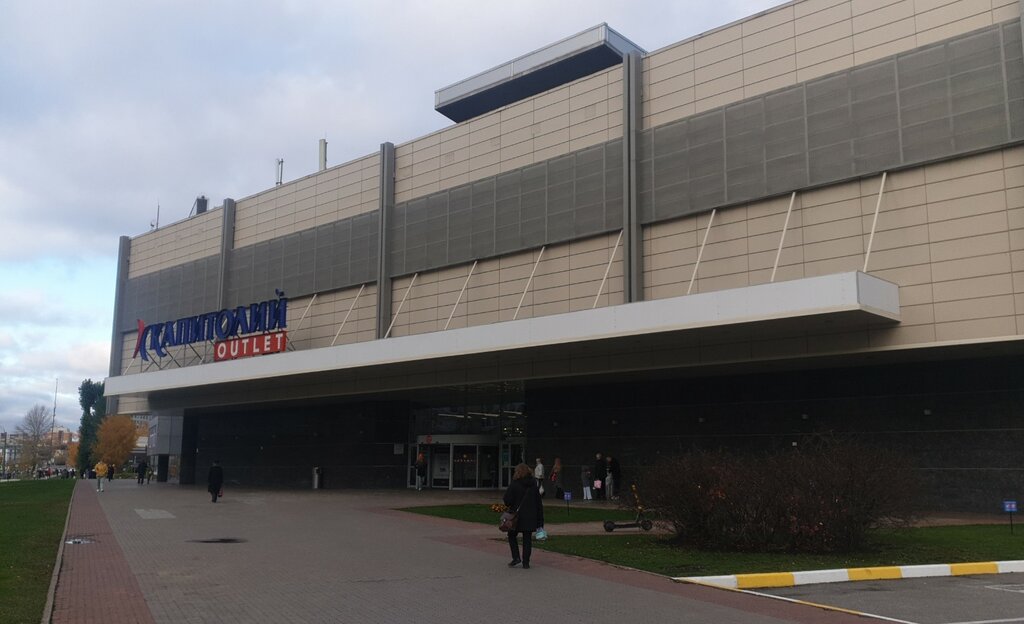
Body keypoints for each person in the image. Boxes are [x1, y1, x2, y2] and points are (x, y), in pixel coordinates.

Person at [502, 463, 544, 569]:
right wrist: (540, 520)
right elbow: (539, 504)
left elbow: (507, 500)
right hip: (530, 516)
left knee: (512, 535)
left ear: (518, 472)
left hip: (516, 517)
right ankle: (526, 562)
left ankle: (516, 557)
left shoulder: (514, 484)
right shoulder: (533, 485)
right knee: (527, 539)